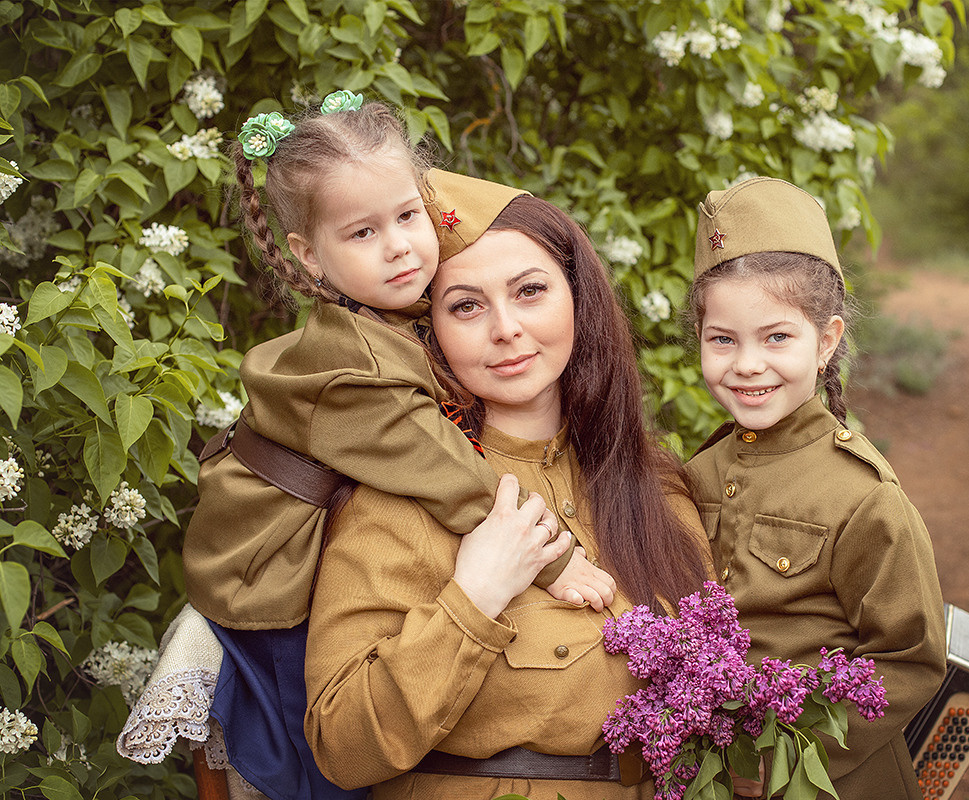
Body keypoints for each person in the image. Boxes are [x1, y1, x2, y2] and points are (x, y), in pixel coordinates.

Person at [180, 95, 609, 800]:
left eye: (409, 216)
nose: (400, 247)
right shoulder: (353, 365)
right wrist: (553, 557)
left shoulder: (382, 316)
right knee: (302, 761)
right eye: (363, 233)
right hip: (267, 579)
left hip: (278, 550)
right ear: (308, 255)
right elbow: (443, 468)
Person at [303, 185, 713, 800]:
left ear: (579, 297)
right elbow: (342, 744)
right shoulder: (402, 495)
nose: (507, 329)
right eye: (466, 306)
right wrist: (476, 595)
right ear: (430, 331)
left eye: (530, 291)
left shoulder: (655, 482)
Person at [684, 178, 947, 799]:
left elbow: (910, 659)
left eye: (777, 337)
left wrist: (782, 758)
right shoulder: (697, 473)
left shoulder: (863, 495)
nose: (747, 364)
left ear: (826, 342)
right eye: (723, 339)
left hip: (830, 781)